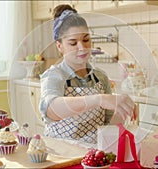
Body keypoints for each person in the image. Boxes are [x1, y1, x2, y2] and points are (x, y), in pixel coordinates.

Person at [39, 4, 137, 144]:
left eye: (86, 40)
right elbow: (50, 108)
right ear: (59, 46)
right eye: (73, 43)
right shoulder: (54, 75)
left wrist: (122, 109)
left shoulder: (100, 77)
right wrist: (99, 99)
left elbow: (108, 126)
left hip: (93, 157)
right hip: (61, 154)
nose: (82, 48)